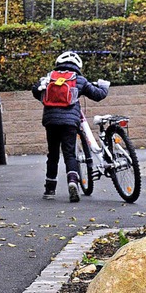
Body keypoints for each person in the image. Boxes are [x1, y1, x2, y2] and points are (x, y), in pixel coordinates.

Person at [32, 51, 110, 203]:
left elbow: (36, 91)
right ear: (78, 65)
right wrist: (104, 86)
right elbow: (98, 95)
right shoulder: (79, 79)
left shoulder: (50, 77)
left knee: (53, 154)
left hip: (51, 121)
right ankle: (73, 181)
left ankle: (50, 189)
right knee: (69, 154)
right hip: (70, 122)